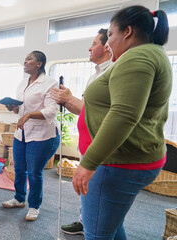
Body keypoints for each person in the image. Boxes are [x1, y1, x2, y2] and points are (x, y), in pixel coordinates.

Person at [72, 5, 171, 239]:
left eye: (111, 35)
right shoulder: (151, 53)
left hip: (118, 163)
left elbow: (124, 115)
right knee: (111, 228)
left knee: (97, 234)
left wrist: (89, 162)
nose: (108, 43)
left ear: (127, 32)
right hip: (126, 159)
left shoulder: (138, 57)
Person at [51, 29, 112, 235]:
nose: (89, 48)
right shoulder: (95, 74)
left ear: (106, 47)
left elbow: (99, 112)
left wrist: (68, 98)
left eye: (94, 43)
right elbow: (83, 109)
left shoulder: (112, 72)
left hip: (100, 144)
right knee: (89, 193)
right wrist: (66, 100)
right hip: (88, 142)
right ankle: (84, 220)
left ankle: (91, 223)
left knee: (98, 196)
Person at [1, 51, 60, 221]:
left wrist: (28, 116)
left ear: (39, 63)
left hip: (42, 135)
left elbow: (51, 111)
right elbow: (20, 110)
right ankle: (19, 198)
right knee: (19, 168)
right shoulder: (22, 84)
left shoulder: (50, 83)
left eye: (29, 59)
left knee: (34, 172)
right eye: (25, 59)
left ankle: (34, 206)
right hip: (22, 134)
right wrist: (12, 107)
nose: (25, 62)